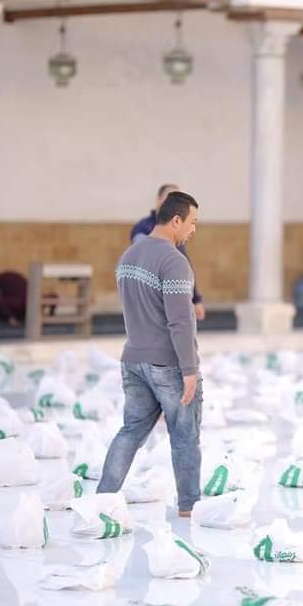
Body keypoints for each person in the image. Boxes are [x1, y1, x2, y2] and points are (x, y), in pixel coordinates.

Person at [98, 192, 203, 518]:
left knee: (130, 432)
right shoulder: (174, 261)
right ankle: (189, 506)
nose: (193, 230)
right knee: (185, 437)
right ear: (176, 220)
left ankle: (102, 498)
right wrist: (189, 369)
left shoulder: (128, 256)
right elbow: (180, 321)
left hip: (133, 359)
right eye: (192, 222)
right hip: (167, 364)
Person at [131, 183, 206, 321]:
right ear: (158, 200)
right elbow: (142, 257)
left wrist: (196, 299)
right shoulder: (142, 228)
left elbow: (184, 265)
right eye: (169, 198)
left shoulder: (177, 230)